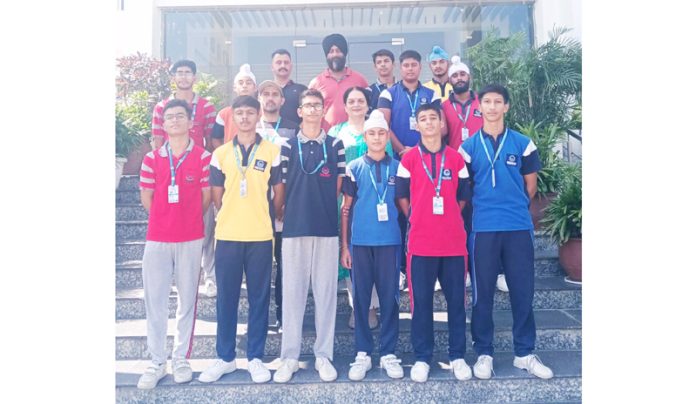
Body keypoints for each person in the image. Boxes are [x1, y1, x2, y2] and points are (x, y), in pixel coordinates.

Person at [459, 84, 553, 381]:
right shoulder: (468, 148)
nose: (492, 107)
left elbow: (531, 186)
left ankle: (524, 353)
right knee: (482, 294)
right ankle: (484, 353)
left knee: (522, 292)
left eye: (498, 101)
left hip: (517, 227)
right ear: (480, 107)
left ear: (506, 107)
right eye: (486, 101)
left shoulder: (523, 144)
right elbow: (466, 189)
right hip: (483, 229)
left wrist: (512, 207)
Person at [198, 96, 286, 384]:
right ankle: (225, 358)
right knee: (227, 298)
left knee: (260, 299)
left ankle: (256, 357)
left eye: (250, 112)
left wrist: (265, 216)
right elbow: (216, 195)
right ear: (232, 117)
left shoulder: (273, 150)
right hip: (227, 235)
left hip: (261, 235)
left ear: (258, 114)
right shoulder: (221, 154)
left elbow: (279, 194)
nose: (245, 117)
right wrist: (234, 213)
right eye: (240, 113)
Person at [137, 99, 212, 389]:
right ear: (164, 125)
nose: (176, 121)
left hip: (191, 237)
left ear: (191, 123)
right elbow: (147, 198)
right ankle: (157, 360)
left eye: (181, 116)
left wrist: (188, 219)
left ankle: (181, 357)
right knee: (154, 300)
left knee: (186, 301)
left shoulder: (204, 157)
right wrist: (164, 218)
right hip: (157, 238)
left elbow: (206, 197)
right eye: (170, 117)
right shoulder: (151, 159)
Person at [395, 103, 472, 383]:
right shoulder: (408, 160)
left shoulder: (456, 159)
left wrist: (448, 214)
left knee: (456, 303)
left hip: (453, 244)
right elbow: (401, 196)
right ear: (417, 125)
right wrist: (416, 216)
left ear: (442, 123)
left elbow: (464, 196)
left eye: (433, 118)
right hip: (420, 244)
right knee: (421, 303)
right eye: (423, 119)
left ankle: (458, 356)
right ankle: (422, 358)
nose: (428, 123)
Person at [273, 89, 346, 384]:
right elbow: (281, 185)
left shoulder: (335, 144)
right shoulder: (287, 146)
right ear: (300, 111)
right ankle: (289, 356)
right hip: (294, 229)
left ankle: (323, 355)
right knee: (293, 294)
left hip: (326, 228)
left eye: (318, 105)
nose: (313, 110)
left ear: (323, 109)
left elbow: (339, 185)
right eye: (308, 106)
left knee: (327, 294)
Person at [340, 110, 404, 381]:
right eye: (372, 133)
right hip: (360, 243)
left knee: (390, 299)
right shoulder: (354, 167)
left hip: (390, 242)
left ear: (388, 136)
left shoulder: (400, 167)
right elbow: (346, 210)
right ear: (365, 137)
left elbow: (405, 208)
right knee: (362, 301)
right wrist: (345, 246)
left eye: (381, 132)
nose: (377, 138)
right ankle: (362, 353)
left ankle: (389, 352)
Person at [150, 59, 218, 297]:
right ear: (173, 78)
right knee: (170, 228)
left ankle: (209, 276)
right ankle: (171, 276)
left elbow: (211, 141)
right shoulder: (162, 107)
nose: (183, 76)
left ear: (195, 77)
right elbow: (158, 139)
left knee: (207, 226)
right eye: (179, 73)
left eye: (188, 72)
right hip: (169, 174)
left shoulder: (206, 107)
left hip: (198, 173)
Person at [329, 87, 392, 330]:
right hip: (344, 200)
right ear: (344, 106)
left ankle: (373, 306)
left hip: (375, 199)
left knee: (372, 252)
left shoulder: (376, 129)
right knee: (351, 254)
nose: (356, 104)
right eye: (351, 101)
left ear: (368, 105)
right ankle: (358, 306)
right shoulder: (336, 132)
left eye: (361, 101)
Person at [378, 49, 441, 291]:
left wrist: (421, 150)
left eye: (415, 64)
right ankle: (403, 269)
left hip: (428, 162)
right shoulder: (388, 93)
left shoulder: (431, 93)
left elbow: (440, 124)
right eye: (406, 65)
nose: (410, 68)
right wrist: (403, 149)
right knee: (401, 213)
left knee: (427, 210)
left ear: (420, 67)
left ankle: (431, 265)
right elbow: (384, 123)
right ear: (400, 68)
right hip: (399, 160)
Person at [256, 79, 299, 329]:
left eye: (275, 94)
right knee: (259, 267)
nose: (270, 98)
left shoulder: (293, 128)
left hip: (285, 206)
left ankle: (284, 316)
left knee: (285, 267)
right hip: (255, 208)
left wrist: (285, 203)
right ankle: (260, 318)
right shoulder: (251, 128)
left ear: (283, 101)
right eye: (266, 94)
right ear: (260, 99)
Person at [308, 33, 368, 132]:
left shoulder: (360, 80)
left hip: (355, 139)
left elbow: (368, 110)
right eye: (331, 51)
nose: (335, 54)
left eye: (338, 51)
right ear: (326, 55)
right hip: (326, 139)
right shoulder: (316, 83)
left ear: (344, 54)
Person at [211, 63, 258, 148]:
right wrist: (224, 156)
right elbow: (215, 138)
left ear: (255, 87)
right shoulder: (224, 114)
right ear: (235, 88)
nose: (244, 86)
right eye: (240, 83)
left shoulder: (261, 112)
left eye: (248, 83)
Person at [271, 49, 308, 124]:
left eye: (286, 62)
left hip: (295, 134)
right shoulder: (264, 92)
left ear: (291, 66)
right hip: (268, 134)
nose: (283, 65)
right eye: (279, 62)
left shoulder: (302, 90)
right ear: (272, 67)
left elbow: (308, 114)